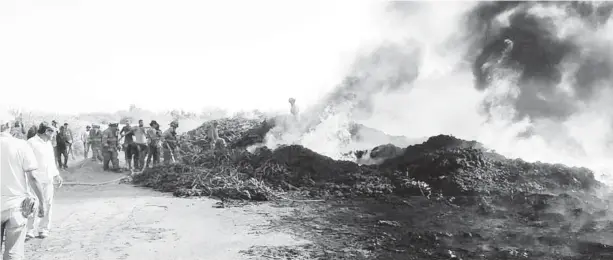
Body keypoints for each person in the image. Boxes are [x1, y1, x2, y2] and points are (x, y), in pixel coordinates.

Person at [1, 121, 46, 259]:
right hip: (16, 207)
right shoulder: (21, 145)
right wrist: (42, 202)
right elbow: (33, 177)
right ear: (8, 126)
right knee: (13, 252)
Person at [26, 122, 63, 239]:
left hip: (48, 179)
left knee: (48, 204)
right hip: (34, 180)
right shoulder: (31, 143)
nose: (54, 135)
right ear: (47, 131)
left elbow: (51, 161)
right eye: (53, 132)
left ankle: (43, 229)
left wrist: (57, 175)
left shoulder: (48, 144)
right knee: (33, 205)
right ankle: (29, 230)